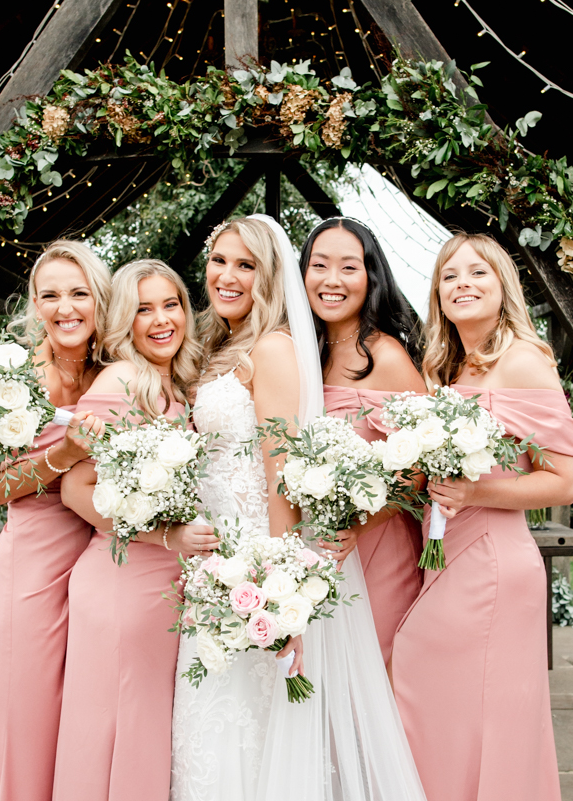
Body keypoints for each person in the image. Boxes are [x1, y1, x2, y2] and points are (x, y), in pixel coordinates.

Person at [170, 216, 427, 801]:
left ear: (270, 274)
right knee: (213, 725)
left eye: (245, 264)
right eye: (218, 260)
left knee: (257, 726)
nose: (227, 275)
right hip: (214, 565)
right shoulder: (221, 346)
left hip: (258, 565)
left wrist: (278, 591)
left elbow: (281, 477)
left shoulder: (276, 350)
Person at [390, 232, 573, 801]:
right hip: (446, 555)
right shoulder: (452, 369)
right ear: (437, 293)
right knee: (449, 708)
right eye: (449, 276)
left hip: (494, 563)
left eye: (478, 273)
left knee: (449, 690)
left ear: (503, 287)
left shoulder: (523, 361)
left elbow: (562, 481)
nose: (462, 284)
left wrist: (475, 494)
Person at [52, 259, 218, 801]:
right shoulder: (121, 380)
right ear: (125, 321)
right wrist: (166, 538)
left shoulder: (176, 384)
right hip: (123, 581)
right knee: (117, 731)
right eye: (144, 309)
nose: (161, 319)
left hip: (161, 583)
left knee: (141, 731)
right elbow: (77, 489)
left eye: (171, 305)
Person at [0, 240, 112, 801]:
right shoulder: (13, 379)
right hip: (33, 568)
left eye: (79, 294)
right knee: (23, 719)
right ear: (34, 304)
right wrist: (65, 454)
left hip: (97, 566)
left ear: (99, 300)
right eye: (50, 296)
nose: (65, 308)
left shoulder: (113, 372)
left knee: (76, 721)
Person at [299, 216, 425, 663]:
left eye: (349, 267)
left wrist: (358, 526)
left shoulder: (386, 356)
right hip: (319, 549)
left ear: (371, 278)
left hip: (377, 545)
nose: (331, 280)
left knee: (374, 671)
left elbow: (421, 466)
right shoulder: (304, 354)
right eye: (319, 265)